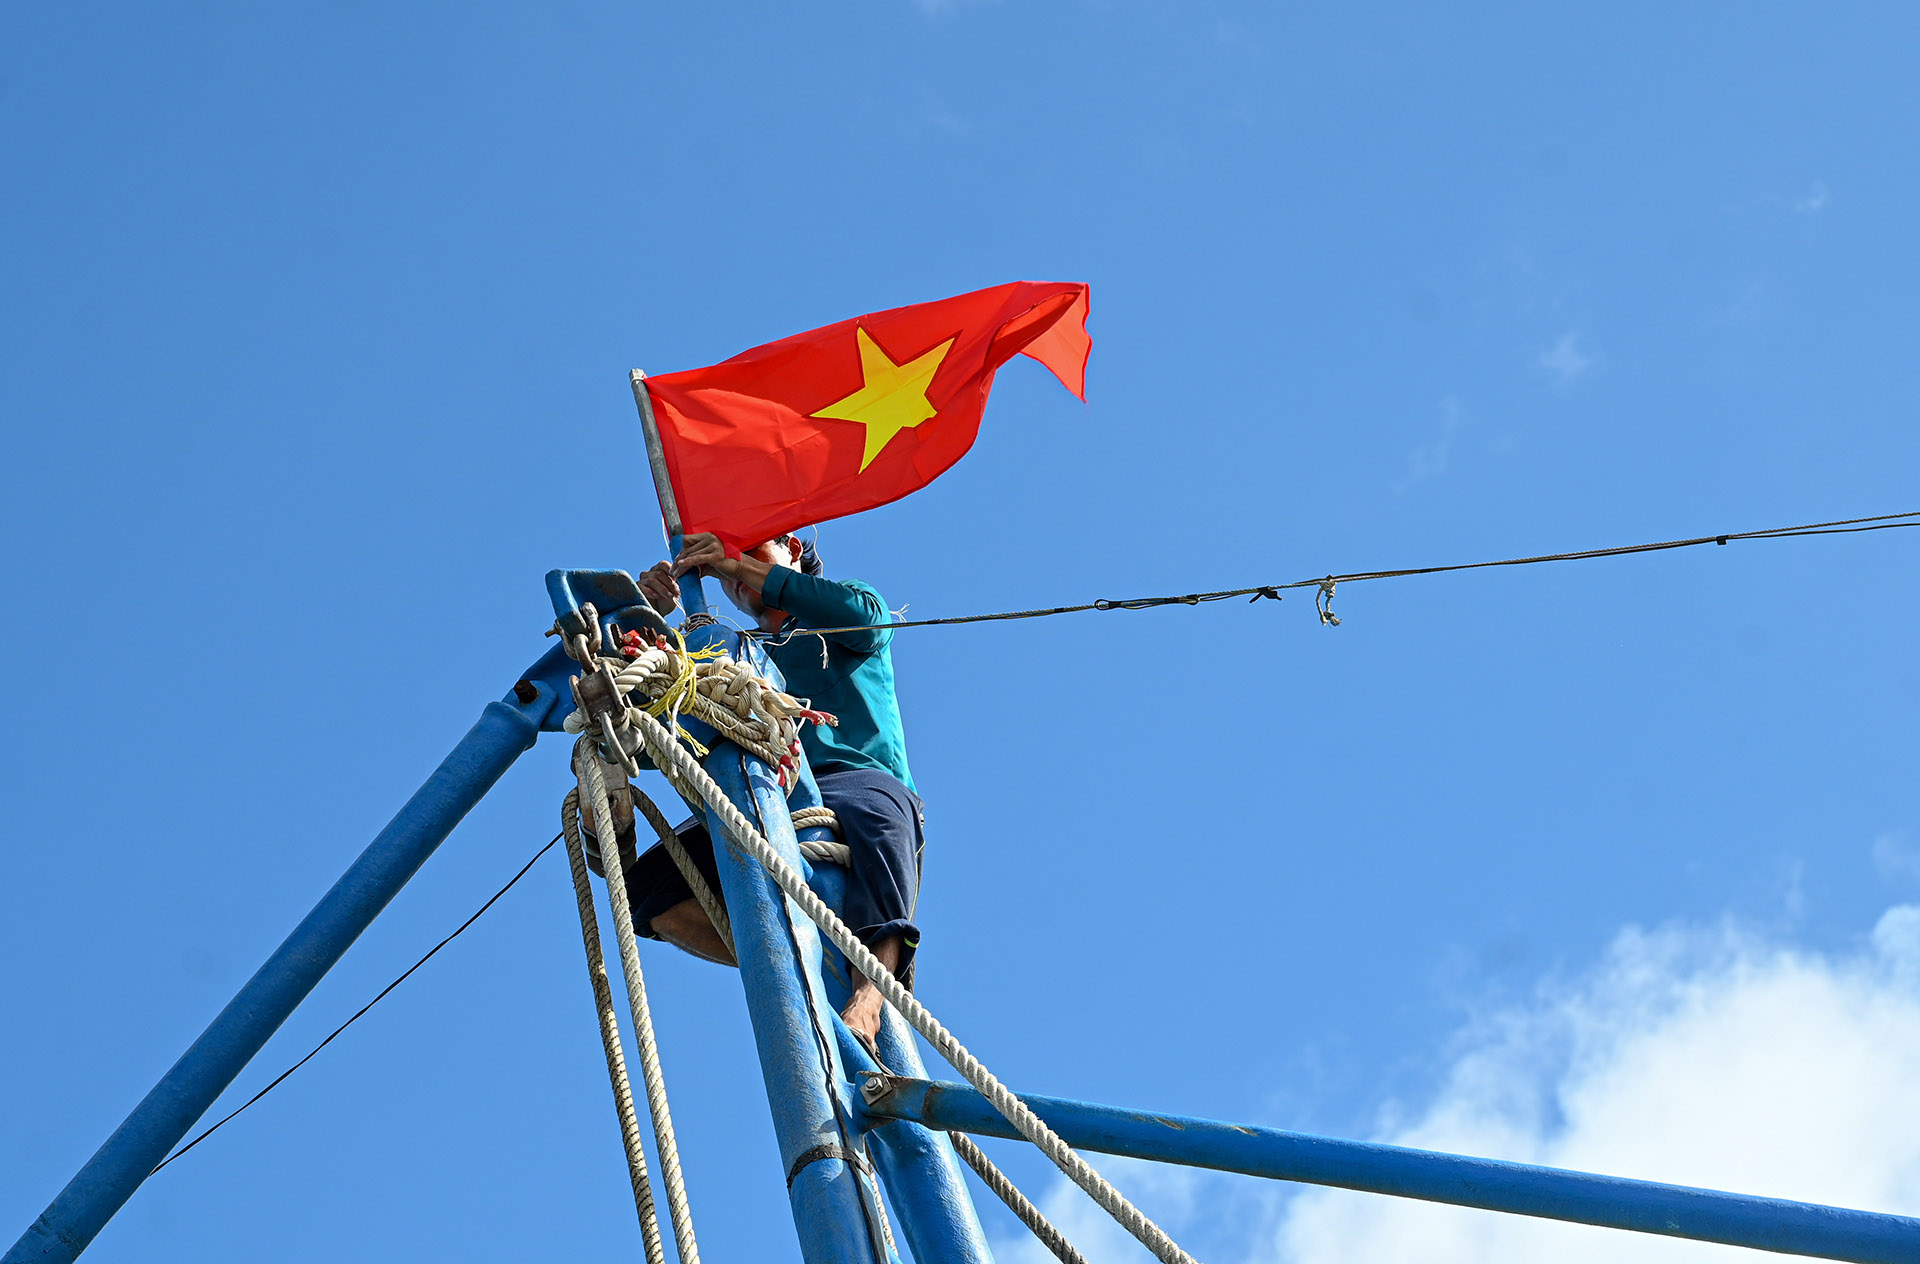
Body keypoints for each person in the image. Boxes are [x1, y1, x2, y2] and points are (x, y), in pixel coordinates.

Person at [618, 530, 923, 1048]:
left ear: (794, 549)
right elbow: (664, 733)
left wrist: (734, 565)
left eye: (750, 550)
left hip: (856, 775)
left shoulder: (850, 607)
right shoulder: (731, 656)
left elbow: (869, 622)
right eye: (723, 573)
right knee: (650, 894)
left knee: (881, 829)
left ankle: (868, 1000)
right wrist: (643, 616)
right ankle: (787, 968)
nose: (730, 578)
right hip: (762, 781)